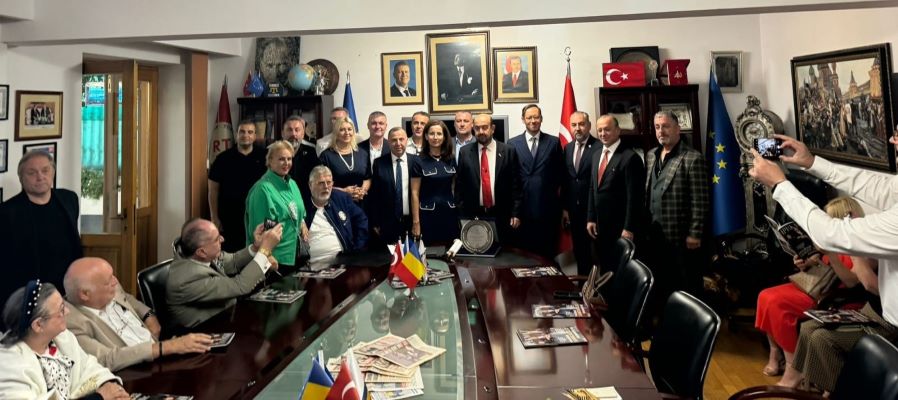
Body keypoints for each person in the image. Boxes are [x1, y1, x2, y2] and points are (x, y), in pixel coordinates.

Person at [749, 133, 898, 392]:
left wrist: (780, 185)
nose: (893, 141)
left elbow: (830, 233)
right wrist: (812, 162)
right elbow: (872, 184)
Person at [755, 197, 875, 381]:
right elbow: (823, 266)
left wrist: (832, 255)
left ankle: (794, 364)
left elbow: (851, 281)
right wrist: (806, 262)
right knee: (764, 295)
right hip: (817, 284)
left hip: (833, 294)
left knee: (777, 304)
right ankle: (775, 351)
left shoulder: (860, 246)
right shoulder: (834, 240)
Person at [63, 257, 213, 371]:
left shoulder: (107, 288)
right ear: (85, 294)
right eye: (108, 281)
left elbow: (127, 298)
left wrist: (148, 315)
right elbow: (106, 359)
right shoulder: (71, 323)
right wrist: (167, 347)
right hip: (138, 370)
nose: (115, 282)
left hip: (161, 351)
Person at [0, 280, 129, 399]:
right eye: (61, 310)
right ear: (38, 325)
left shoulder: (62, 338)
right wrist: (99, 397)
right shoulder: (10, 365)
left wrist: (112, 388)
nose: (67, 312)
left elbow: (88, 367)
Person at [0, 150, 82, 312]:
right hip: (30, 292)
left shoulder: (69, 199)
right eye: (32, 173)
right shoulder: (7, 212)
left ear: (53, 172)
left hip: (68, 287)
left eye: (45, 170)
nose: (40, 177)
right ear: (21, 178)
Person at [167, 218, 283, 329]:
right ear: (202, 252)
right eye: (216, 239)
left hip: (227, 318)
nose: (222, 239)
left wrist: (256, 247)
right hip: (207, 332)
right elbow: (240, 286)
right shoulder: (187, 279)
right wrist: (265, 250)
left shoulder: (198, 254)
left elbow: (233, 261)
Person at [644, 110, 709, 298]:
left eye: (666, 126)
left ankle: (690, 317)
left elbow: (700, 201)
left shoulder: (692, 158)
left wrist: (694, 233)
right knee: (661, 284)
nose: (661, 131)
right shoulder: (651, 155)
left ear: (678, 129)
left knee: (686, 285)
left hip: (681, 236)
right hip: (654, 234)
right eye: (657, 127)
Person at [586, 115, 646, 275]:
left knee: (620, 273)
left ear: (618, 130)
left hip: (620, 229)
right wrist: (591, 217)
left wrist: (629, 228)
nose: (602, 133)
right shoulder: (596, 155)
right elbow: (593, 187)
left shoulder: (630, 157)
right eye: (599, 130)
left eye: (607, 129)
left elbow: (635, 198)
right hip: (600, 228)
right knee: (605, 271)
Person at [507, 104, 564, 259]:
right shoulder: (512, 144)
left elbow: (561, 176)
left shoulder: (553, 142)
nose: (533, 121)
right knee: (524, 258)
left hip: (547, 211)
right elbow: (511, 179)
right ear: (523, 120)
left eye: (536, 117)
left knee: (547, 257)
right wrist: (514, 211)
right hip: (523, 212)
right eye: (529, 117)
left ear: (541, 119)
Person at [456, 113, 522, 245]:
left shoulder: (508, 151)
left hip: (503, 214)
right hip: (474, 214)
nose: (481, 131)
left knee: (504, 251)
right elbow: (460, 186)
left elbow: (516, 185)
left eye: (485, 127)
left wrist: (516, 213)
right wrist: (462, 214)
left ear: (492, 128)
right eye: (477, 128)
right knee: (478, 252)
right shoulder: (465, 152)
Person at [246, 140, 308, 270]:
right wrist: (267, 255)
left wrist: (302, 223)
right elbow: (259, 229)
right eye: (281, 159)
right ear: (270, 161)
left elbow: (299, 212)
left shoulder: (292, 183)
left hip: (296, 255)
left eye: (289, 159)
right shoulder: (262, 189)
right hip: (275, 259)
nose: (286, 163)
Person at [208, 119, 267, 252]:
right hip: (229, 218)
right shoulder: (222, 159)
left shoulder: (265, 157)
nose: (246, 135)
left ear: (255, 136)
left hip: (257, 217)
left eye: (250, 132)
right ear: (236, 134)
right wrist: (214, 217)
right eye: (242, 132)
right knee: (230, 257)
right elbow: (213, 190)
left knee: (256, 254)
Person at [304, 166, 368, 268]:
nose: (326, 187)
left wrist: (357, 249)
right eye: (321, 183)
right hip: (313, 264)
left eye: (329, 182)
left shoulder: (341, 198)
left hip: (343, 262)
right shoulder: (302, 206)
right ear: (310, 185)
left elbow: (361, 219)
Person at [562, 111, 601, 275]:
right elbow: (566, 180)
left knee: (598, 255)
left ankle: (598, 288)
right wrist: (565, 209)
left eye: (581, 124)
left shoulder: (599, 147)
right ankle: (583, 286)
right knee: (580, 253)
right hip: (574, 212)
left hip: (594, 211)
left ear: (589, 126)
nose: (577, 128)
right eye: (574, 125)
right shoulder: (568, 148)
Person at [411, 120, 459, 243]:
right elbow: (414, 193)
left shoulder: (451, 159)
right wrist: (416, 222)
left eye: (439, 134)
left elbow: (454, 188)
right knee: (429, 251)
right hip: (427, 216)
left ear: (444, 137)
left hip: (449, 214)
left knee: (450, 250)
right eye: (432, 134)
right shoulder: (418, 160)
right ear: (426, 136)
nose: (435, 137)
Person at [369, 127, 417, 245]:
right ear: (388, 142)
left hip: (411, 222)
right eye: (394, 140)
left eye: (401, 139)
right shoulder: (379, 163)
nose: (398, 143)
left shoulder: (416, 161)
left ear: (407, 140)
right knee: (391, 256)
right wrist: (375, 221)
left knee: (412, 255)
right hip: (387, 223)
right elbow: (375, 195)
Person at [319, 117, 372, 204]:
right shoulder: (326, 156)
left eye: (349, 129)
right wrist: (344, 191)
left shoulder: (362, 153)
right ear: (336, 133)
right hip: (337, 202)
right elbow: (321, 183)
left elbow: (367, 178)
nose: (347, 133)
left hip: (361, 202)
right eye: (342, 130)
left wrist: (362, 191)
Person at [282, 115, 320, 207]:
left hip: (305, 201)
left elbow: (317, 177)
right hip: (281, 201)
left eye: (297, 130)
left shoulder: (311, 151)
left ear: (303, 134)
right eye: (289, 130)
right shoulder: (273, 152)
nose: (293, 134)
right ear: (282, 133)